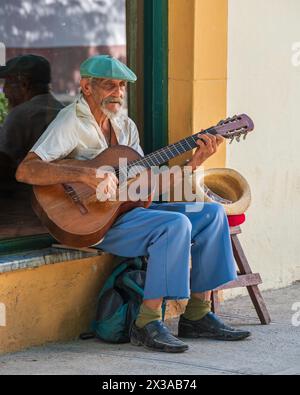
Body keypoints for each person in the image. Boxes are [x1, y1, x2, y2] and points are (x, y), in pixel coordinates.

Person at [16, 55, 251, 353]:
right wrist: (85, 175)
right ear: (87, 87)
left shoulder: (125, 126)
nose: (118, 92)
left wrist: (193, 164)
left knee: (211, 213)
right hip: (94, 223)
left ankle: (198, 315)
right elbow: (27, 170)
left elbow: (146, 182)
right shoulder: (71, 122)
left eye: (123, 86)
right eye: (110, 85)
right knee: (174, 224)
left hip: (127, 212)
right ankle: (147, 321)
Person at [0, 54, 63, 194]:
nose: (4, 91)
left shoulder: (20, 115)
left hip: (25, 200)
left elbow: (2, 166)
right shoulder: (63, 111)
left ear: (24, 84)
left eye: (7, 83)